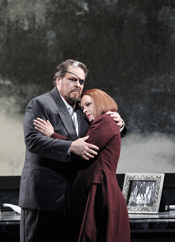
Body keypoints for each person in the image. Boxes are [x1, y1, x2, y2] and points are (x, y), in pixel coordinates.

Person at [19, 59, 127, 242]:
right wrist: (69, 146)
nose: (78, 85)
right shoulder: (40, 104)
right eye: (73, 79)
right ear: (58, 80)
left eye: (82, 81)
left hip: (75, 201)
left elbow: (99, 136)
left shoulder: (84, 110)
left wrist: (121, 125)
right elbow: (33, 141)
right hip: (44, 198)